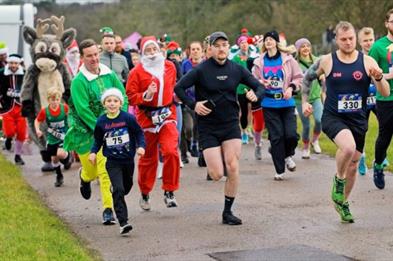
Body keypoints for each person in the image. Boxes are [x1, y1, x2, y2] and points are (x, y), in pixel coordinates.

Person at [302, 21, 390, 223]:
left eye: (351, 38)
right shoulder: (327, 61)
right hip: (334, 116)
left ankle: (343, 203)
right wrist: (306, 101)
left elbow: (385, 92)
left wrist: (378, 79)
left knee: (354, 165)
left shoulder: (368, 62)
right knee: (348, 149)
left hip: (358, 119)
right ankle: (338, 180)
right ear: (336, 40)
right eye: (344, 39)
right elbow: (307, 79)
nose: (348, 42)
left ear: (355, 38)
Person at [175, 32, 264, 225]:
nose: (222, 48)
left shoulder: (236, 69)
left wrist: (255, 95)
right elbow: (179, 88)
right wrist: (193, 104)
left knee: (232, 166)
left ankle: (227, 211)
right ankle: (208, 157)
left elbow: (259, 87)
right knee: (216, 174)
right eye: (217, 45)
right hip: (208, 126)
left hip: (231, 124)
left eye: (224, 45)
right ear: (210, 50)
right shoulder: (201, 70)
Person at [63, 39, 129, 225]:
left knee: (106, 170)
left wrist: (119, 119)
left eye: (95, 54)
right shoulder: (79, 81)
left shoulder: (109, 75)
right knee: (92, 172)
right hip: (87, 131)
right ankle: (84, 177)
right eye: (89, 56)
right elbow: (83, 110)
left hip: (112, 130)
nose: (93, 58)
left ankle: (108, 209)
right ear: (82, 58)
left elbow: (122, 95)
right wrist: (103, 128)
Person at [126, 36, 180, 210]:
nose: (151, 54)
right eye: (147, 50)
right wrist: (145, 96)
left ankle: (169, 191)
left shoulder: (170, 66)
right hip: (146, 117)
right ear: (142, 53)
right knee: (148, 158)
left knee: (171, 151)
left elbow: (174, 86)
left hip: (167, 114)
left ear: (159, 50)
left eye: (154, 49)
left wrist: (177, 96)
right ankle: (145, 192)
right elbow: (130, 97)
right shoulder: (136, 72)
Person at [89, 88, 145, 235]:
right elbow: (97, 140)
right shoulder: (101, 122)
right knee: (119, 190)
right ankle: (123, 222)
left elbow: (139, 133)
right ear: (104, 104)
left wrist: (141, 147)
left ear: (120, 103)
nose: (112, 104)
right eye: (109, 101)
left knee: (126, 187)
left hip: (128, 160)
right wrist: (93, 152)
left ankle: (116, 191)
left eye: (115, 101)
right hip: (112, 162)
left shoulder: (128, 118)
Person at [252, 30, 303, 180]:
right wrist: (261, 82)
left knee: (291, 135)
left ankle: (288, 155)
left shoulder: (288, 60)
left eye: (271, 39)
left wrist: (291, 88)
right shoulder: (259, 62)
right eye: (266, 39)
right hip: (269, 103)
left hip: (286, 103)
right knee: (276, 137)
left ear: (276, 42)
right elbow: (252, 80)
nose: (268, 41)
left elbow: (298, 77)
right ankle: (279, 170)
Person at [368, 9, 393, 189]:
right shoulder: (378, 47)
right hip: (386, 98)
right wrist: (388, 76)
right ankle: (378, 165)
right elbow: (370, 74)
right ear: (386, 24)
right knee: (385, 136)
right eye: (392, 21)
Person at [232, 35, 265, 160]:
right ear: (239, 45)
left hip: (251, 87)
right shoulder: (235, 58)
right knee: (243, 111)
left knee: (252, 109)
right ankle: (244, 130)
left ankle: (249, 129)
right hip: (240, 88)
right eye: (242, 43)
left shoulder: (253, 56)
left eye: (246, 43)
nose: (244, 45)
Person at [35, 87, 72, 187]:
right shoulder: (45, 111)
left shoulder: (64, 108)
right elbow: (37, 121)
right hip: (52, 138)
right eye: (52, 99)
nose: (55, 102)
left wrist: (72, 125)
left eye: (57, 99)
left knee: (60, 154)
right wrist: (38, 130)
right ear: (48, 100)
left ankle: (68, 156)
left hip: (64, 137)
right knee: (54, 159)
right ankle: (59, 176)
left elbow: (72, 116)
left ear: (59, 99)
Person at [294, 38, 324, 159]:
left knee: (319, 120)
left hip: (315, 96)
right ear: (298, 49)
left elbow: (324, 73)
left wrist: (322, 77)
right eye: (302, 46)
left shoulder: (317, 60)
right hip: (300, 99)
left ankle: (315, 140)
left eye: (308, 46)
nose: (306, 48)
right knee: (306, 125)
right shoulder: (294, 63)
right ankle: (306, 147)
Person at [180, 41, 204, 164]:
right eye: (193, 49)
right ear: (189, 51)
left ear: (202, 51)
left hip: (201, 101)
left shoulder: (205, 64)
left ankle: (198, 148)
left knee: (199, 127)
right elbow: (180, 82)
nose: (195, 51)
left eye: (197, 49)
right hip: (188, 101)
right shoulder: (185, 64)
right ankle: (189, 144)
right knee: (188, 128)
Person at [0, 54, 26, 164]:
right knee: (9, 131)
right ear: (8, 63)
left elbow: (29, 88)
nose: (13, 65)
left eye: (16, 63)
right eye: (11, 63)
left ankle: (18, 156)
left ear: (19, 63)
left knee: (21, 132)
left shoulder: (24, 74)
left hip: (21, 107)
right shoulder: (2, 73)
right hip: (7, 107)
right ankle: (9, 138)